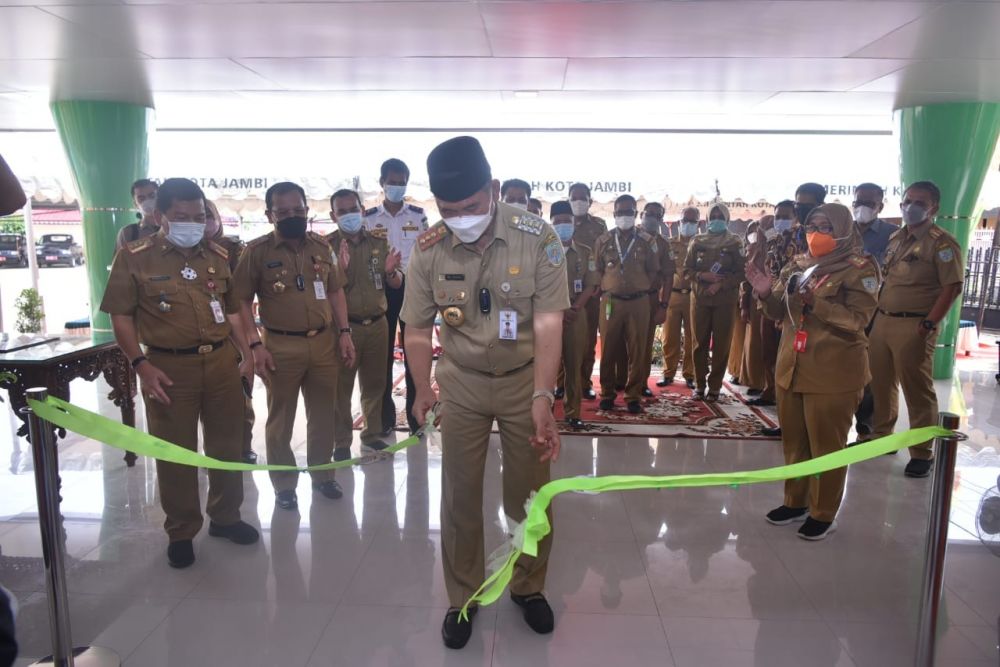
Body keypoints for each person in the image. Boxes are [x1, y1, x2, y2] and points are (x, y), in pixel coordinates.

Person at [401, 136, 568, 649]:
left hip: (523, 383)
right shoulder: (429, 249)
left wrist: (544, 396)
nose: (460, 217)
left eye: (471, 206)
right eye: (448, 209)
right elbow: (414, 328)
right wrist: (421, 386)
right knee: (459, 497)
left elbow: (547, 323)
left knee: (530, 492)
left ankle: (528, 586)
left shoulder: (537, 238)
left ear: (492, 189)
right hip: (463, 385)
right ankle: (463, 596)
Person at [101, 178, 259, 568]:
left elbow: (234, 309)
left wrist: (249, 351)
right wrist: (140, 364)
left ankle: (225, 517)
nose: (193, 223)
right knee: (176, 452)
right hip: (168, 367)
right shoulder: (135, 256)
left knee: (228, 445)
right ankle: (182, 529)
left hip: (222, 362)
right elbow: (120, 316)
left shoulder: (218, 255)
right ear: (159, 217)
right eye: (182, 217)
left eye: (199, 216)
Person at [747, 203, 879, 540]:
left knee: (827, 445)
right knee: (795, 442)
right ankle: (795, 502)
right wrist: (764, 292)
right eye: (812, 226)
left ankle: (823, 512)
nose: (816, 233)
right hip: (792, 366)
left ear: (844, 230)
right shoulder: (799, 264)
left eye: (826, 226)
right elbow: (779, 308)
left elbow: (857, 322)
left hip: (834, 372)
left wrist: (816, 302)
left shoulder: (859, 268)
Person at [233, 181, 355, 511]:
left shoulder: (321, 246)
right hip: (279, 347)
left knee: (323, 416)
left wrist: (344, 332)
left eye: (298, 210)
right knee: (280, 418)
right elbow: (241, 300)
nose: (292, 216)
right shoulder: (256, 252)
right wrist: (254, 345)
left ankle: (322, 475)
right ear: (270, 214)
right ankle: (284, 484)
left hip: (324, 343)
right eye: (284, 212)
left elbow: (335, 291)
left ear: (306, 209)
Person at [867, 181, 963, 478]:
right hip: (883, 319)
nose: (911, 206)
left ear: (934, 208)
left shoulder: (942, 243)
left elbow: (952, 287)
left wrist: (928, 324)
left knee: (917, 389)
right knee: (881, 383)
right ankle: (883, 436)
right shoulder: (897, 238)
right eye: (908, 200)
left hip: (915, 323)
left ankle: (922, 452)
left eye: (920, 202)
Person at [327, 189, 403, 460]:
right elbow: (324, 290)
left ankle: (371, 435)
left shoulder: (379, 243)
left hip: (378, 324)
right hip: (345, 327)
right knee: (341, 387)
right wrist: (341, 271)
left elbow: (395, 282)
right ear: (333, 215)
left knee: (375, 384)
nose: (349, 215)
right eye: (342, 211)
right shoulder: (326, 247)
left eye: (353, 209)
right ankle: (341, 442)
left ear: (362, 211)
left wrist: (391, 270)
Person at [363, 158, 428, 435]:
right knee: (382, 358)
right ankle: (385, 418)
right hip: (381, 291)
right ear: (382, 183)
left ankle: (417, 416)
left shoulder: (418, 215)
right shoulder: (368, 218)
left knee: (416, 353)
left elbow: (427, 253)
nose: (398, 187)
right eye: (393, 182)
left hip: (413, 290)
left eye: (402, 182)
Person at [594, 195, 664, 413]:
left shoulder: (647, 241)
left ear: (635, 214)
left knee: (639, 349)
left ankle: (633, 396)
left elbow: (655, 271)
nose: (625, 216)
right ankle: (607, 394)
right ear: (614, 215)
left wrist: (638, 285)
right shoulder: (603, 241)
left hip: (639, 302)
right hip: (610, 302)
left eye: (629, 212)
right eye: (620, 212)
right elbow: (597, 269)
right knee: (609, 350)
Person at [205, 199, 258, 464]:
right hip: (200, 335)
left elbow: (240, 297)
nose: (203, 222)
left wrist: (250, 343)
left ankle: (243, 445)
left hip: (233, 334)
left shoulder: (234, 250)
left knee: (241, 394)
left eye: (207, 215)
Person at [851, 182, 899, 438]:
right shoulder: (842, 231)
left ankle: (868, 426)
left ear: (880, 206)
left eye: (870, 203)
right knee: (843, 365)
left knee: (873, 372)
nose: (863, 207)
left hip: (875, 312)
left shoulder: (893, 234)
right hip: (843, 310)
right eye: (859, 201)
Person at [758, 200, 809, 434]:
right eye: (777, 215)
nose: (780, 220)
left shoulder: (805, 239)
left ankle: (791, 419)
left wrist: (783, 312)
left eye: (785, 216)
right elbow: (770, 268)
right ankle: (775, 401)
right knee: (770, 354)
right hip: (772, 300)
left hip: (794, 308)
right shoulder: (777, 240)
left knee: (791, 363)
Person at [685, 202, 745, 401]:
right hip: (700, 299)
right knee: (698, 343)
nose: (717, 219)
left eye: (721, 216)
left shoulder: (735, 242)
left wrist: (721, 284)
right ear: (708, 219)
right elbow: (687, 270)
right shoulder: (697, 241)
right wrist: (703, 275)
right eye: (714, 216)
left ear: (727, 219)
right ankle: (699, 385)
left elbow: (741, 272)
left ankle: (715, 387)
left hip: (724, 300)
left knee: (721, 344)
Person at [551, 200, 599, 429]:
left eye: (566, 221)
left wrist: (575, 308)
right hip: (549, 314)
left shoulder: (585, 252)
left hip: (576, 313)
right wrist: (560, 309)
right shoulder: (542, 251)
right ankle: (545, 409)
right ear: (551, 224)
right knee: (547, 365)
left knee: (574, 364)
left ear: (573, 223)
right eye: (558, 222)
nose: (563, 225)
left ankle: (573, 412)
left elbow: (590, 284)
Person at [569, 182, 608, 400]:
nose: (578, 202)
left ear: (590, 201)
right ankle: (561, 383)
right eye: (574, 198)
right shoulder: (560, 222)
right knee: (560, 337)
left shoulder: (599, 226)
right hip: (564, 290)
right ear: (568, 200)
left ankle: (584, 382)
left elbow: (603, 257)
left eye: (582, 198)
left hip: (591, 291)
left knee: (588, 339)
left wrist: (599, 284)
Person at [659, 206, 699, 389]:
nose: (688, 224)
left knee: (693, 337)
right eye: (685, 220)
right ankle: (668, 373)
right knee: (670, 337)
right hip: (672, 295)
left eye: (692, 221)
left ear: (698, 223)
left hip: (694, 296)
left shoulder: (701, 244)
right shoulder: (669, 243)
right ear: (679, 221)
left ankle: (690, 374)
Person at [639, 202, 675, 396]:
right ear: (641, 215)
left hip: (650, 298)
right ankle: (618, 381)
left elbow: (669, 277)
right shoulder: (628, 237)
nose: (651, 218)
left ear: (662, 219)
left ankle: (641, 382)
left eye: (656, 215)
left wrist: (663, 305)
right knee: (620, 342)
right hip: (624, 299)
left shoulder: (663, 244)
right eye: (648, 214)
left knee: (645, 344)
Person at [744, 214, 777, 407]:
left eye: (770, 225)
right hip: (761, 303)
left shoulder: (785, 247)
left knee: (778, 352)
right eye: (763, 227)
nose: (766, 230)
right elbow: (747, 277)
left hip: (783, 305)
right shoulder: (757, 249)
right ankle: (769, 388)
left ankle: (774, 391)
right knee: (767, 349)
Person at [116, 179, 160, 249]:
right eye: (141, 198)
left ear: (160, 197)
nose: (147, 200)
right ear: (135, 204)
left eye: (152, 196)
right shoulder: (129, 233)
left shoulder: (174, 227)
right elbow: (121, 259)